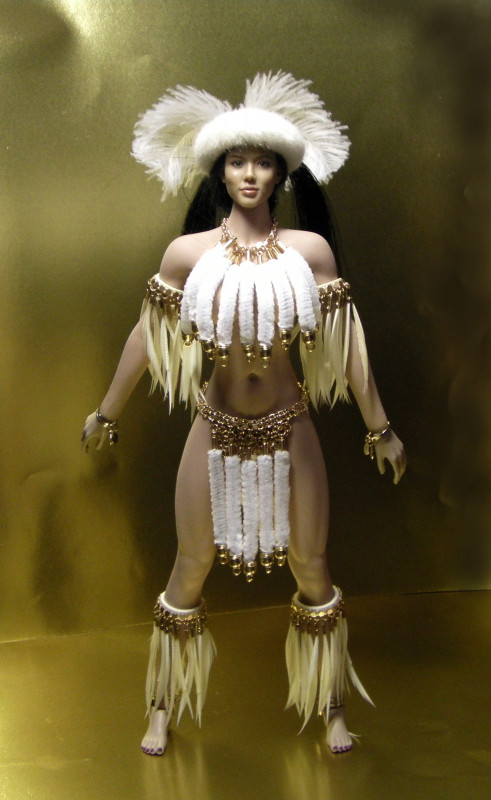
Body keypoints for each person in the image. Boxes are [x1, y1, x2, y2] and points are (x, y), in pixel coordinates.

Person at [82, 72, 406, 756]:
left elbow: (346, 344)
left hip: (291, 428)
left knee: (312, 566)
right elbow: (146, 335)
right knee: (191, 564)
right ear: (220, 172)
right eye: (237, 161)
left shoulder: (308, 252)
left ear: (281, 172)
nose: (250, 174)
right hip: (215, 429)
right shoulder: (188, 254)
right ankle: (160, 708)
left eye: (262, 162)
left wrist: (379, 427)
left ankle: (333, 708)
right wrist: (106, 411)